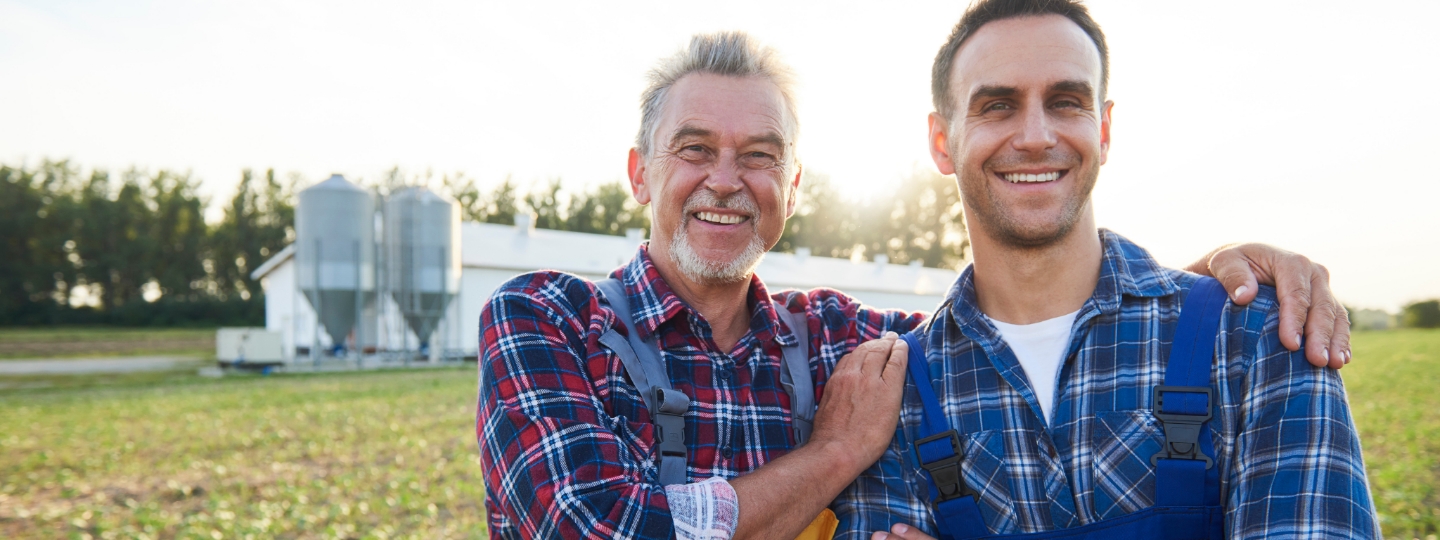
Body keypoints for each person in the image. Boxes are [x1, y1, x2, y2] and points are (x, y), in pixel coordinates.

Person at [476, 31, 1354, 540]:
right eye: (695, 150)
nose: (725, 180)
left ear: (792, 184)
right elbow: (598, 529)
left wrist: (1195, 291)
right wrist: (832, 455)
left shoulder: (840, 340)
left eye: (760, 157)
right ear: (640, 171)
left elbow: (1018, 310)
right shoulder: (548, 321)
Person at [833, 2, 1377, 539]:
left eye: (1066, 101)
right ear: (941, 142)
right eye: (998, 105)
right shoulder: (895, 396)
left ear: (1105, 129)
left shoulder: (1256, 338)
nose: (1036, 136)